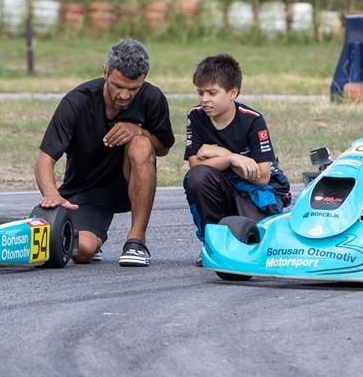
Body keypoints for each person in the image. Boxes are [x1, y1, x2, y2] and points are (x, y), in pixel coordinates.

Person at [35, 38, 176, 267]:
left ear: (144, 79)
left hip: (129, 186)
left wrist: (138, 131)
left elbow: (163, 148)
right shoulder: (76, 102)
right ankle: (92, 237)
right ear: (105, 72)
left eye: (133, 89)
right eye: (118, 86)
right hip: (87, 191)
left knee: (141, 144)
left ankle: (136, 241)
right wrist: (51, 194)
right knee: (84, 251)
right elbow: (45, 158)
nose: (124, 95)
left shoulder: (152, 98)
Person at [183, 53, 291, 242]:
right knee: (197, 178)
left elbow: (262, 176)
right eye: (200, 92)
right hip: (223, 188)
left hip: (253, 191)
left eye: (212, 93)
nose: (204, 99)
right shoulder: (196, 116)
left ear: (233, 93)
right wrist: (232, 158)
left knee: (255, 242)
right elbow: (196, 166)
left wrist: (221, 154)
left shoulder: (253, 120)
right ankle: (213, 242)